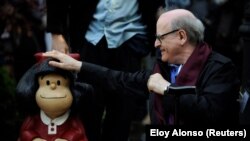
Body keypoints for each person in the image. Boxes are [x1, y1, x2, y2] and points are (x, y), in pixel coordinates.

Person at [43, 9, 241, 126]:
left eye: (160, 38)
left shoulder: (221, 68)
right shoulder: (162, 69)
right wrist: (77, 66)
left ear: (181, 36)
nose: (155, 44)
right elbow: (119, 79)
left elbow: (213, 115)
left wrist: (167, 89)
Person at [46, 1, 164, 141]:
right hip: (90, 36)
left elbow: (158, 6)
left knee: (122, 114)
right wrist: (56, 33)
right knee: (88, 110)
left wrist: (162, 28)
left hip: (130, 38)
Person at [16, 53, 93, 141]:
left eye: (59, 83)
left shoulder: (71, 118)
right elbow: (25, 131)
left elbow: (78, 131)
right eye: (47, 83)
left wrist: (67, 138)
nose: (52, 87)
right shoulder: (35, 118)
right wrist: (34, 138)